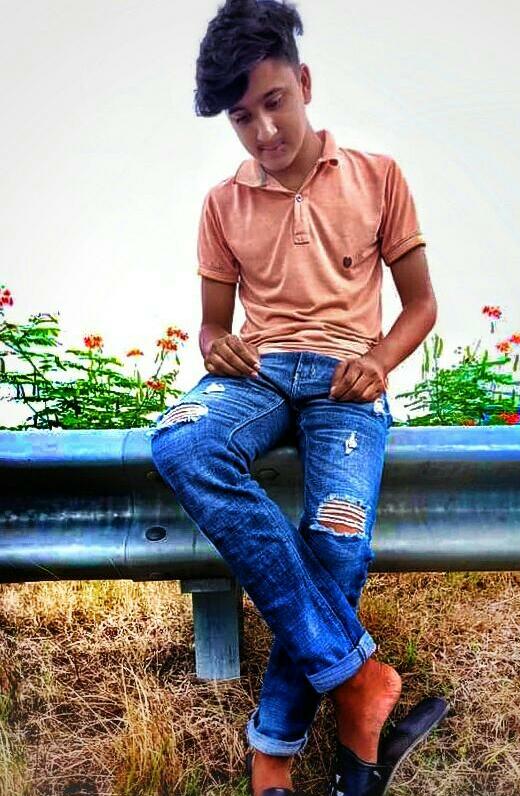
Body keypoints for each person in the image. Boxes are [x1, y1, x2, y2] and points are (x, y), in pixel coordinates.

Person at [149, 1, 446, 794]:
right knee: (181, 440)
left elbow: (421, 305)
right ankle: (358, 679)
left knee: (338, 539)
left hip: (349, 380)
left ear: (304, 83)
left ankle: (274, 754)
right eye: (242, 118)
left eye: (274, 102)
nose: (264, 130)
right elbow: (213, 326)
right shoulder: (222, 203)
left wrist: (380, 359)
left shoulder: (379, 177)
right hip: (262, 374)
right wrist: (217, 344)